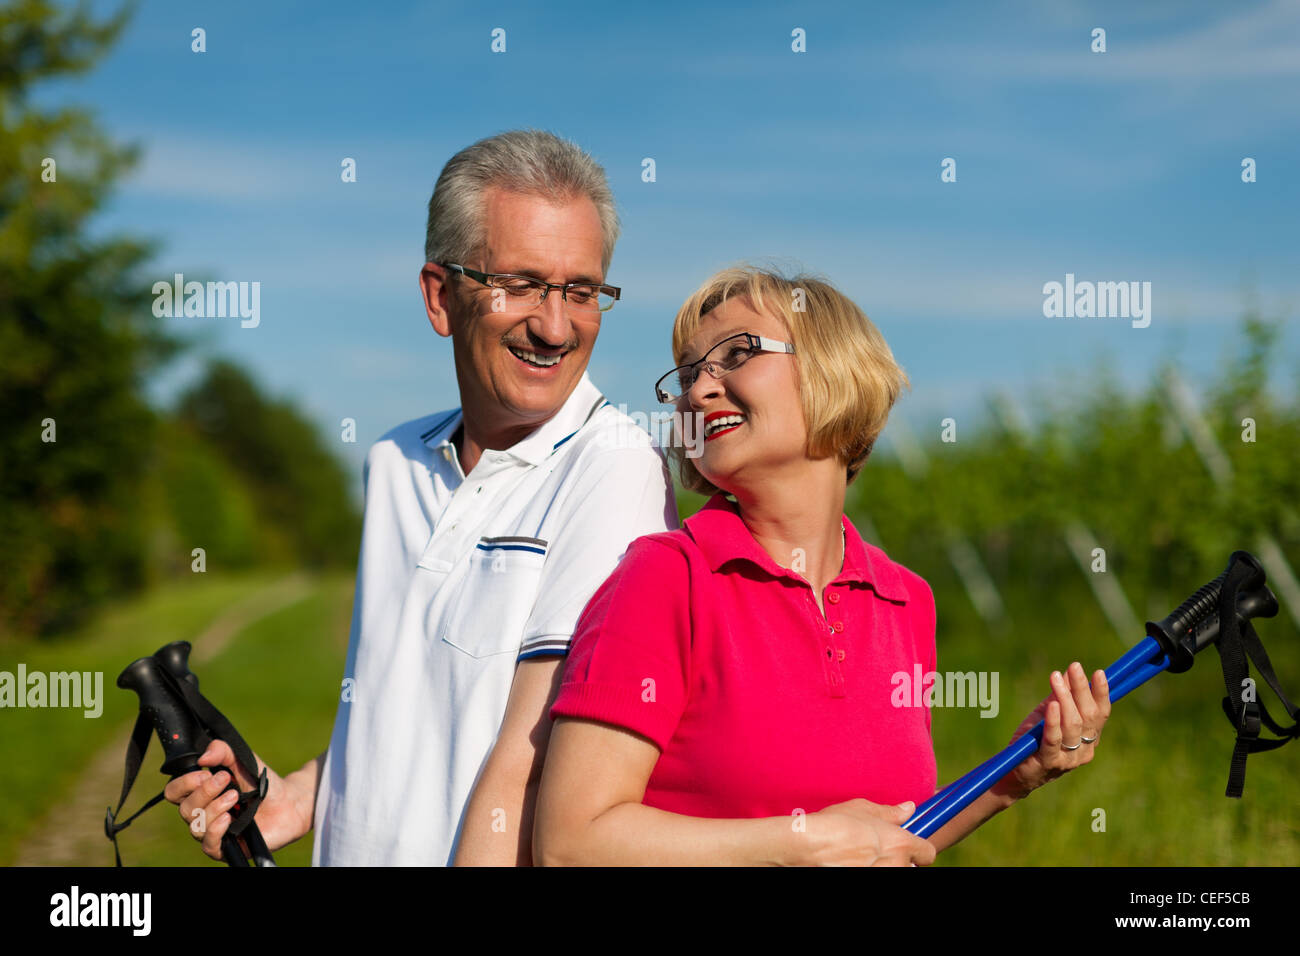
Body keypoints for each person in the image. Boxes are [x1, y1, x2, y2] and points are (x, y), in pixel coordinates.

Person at [164, 129, 677, 865]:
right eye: (522, 284)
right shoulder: (394, 460)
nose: (555, 325)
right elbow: (405, 710)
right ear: (441, 297)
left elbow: (541, 771)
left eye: (582, 290)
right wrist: (304, 795)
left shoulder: (617, 467)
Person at [534, 265, 1111, 865]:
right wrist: (798, 843)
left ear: (832, 368)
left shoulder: (906, 600)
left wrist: (1012, 777)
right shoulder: (665, 578)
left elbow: (881, 840)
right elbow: (573, 843)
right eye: (687, 373)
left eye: (736, 354)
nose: (699, 389)